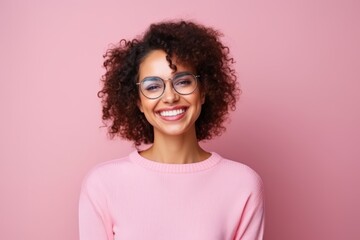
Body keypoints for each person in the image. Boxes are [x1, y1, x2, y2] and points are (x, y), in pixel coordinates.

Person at [79, 20, 264, 240]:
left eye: (183, 82)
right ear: (137, 101)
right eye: (153, 86)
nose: (170, 97)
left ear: (203, 91)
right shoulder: (103, 184)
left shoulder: (243, 184)